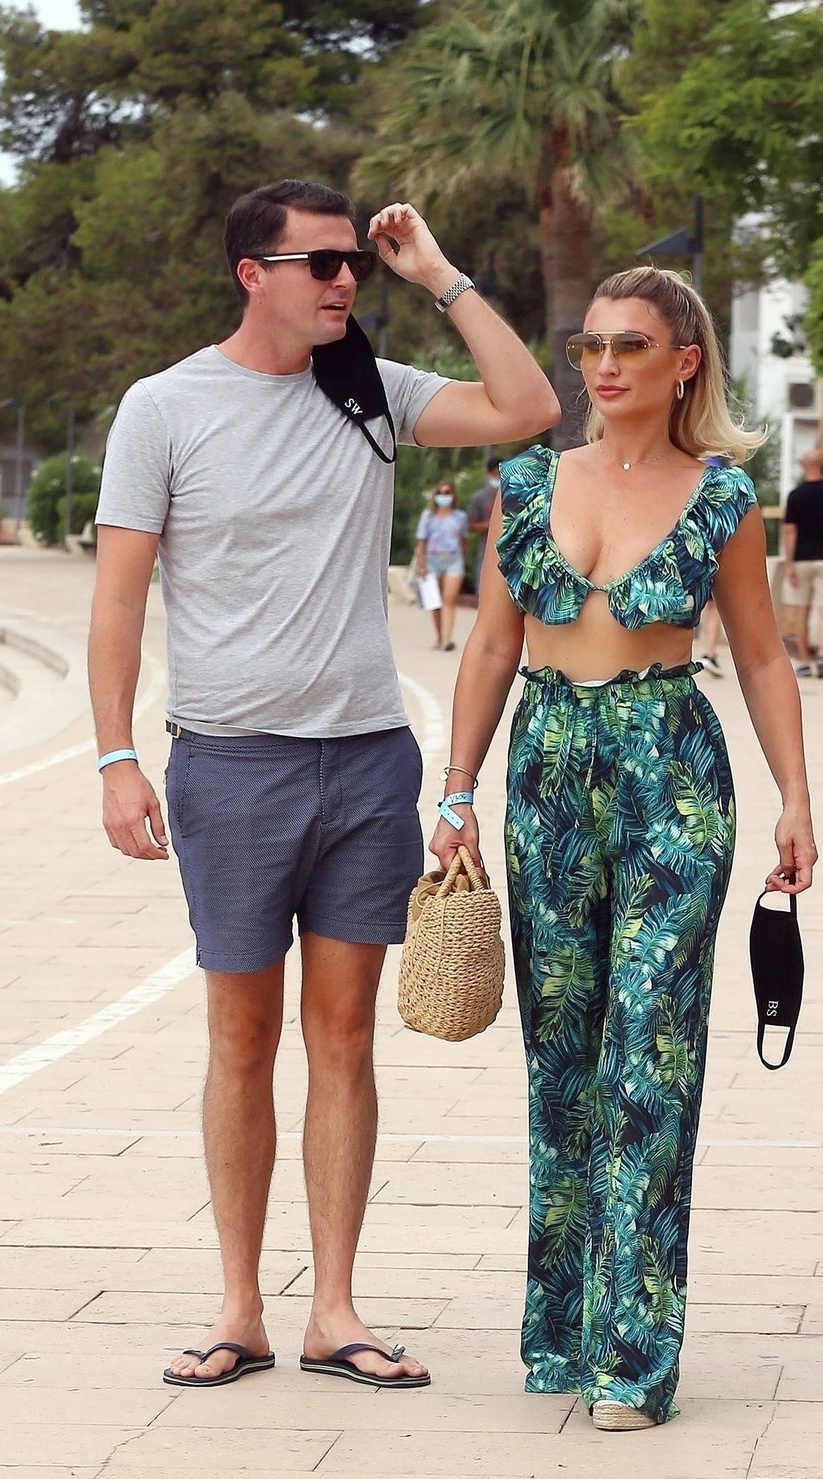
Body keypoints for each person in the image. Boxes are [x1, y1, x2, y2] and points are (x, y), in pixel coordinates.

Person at [88, 180, 558, 1394]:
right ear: (254, 274)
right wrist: (115, 758)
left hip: (365, 761)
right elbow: (119, 599)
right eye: (322, 263)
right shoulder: (164, 408)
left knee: (344, 1038)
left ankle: (334, 1311)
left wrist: (438, 277)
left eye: (354, 261)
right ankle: (239, 1308)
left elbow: (529, 405)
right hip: (231, 764)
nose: (345, 279)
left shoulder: (373, 391)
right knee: (242, 1036)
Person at [429, 266, 816, 1431]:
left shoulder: (724, 497)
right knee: (563, 1057)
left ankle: (634, 1356)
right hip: (545, 769)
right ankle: (563, 1330)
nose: (603, 365)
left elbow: (760, 655)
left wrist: (796, 797)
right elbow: (492, 648)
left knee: (650, 1054)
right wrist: (455, 790)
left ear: (684, 362)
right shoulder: (527, 483)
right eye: (591, 344)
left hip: (673, 774)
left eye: (631, 345)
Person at [779, 449, 823, 679]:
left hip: (802, 558)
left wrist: (789, 563)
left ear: (803, 467)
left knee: (801, 611)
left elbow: (789, 531)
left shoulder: (796, 495)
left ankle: (804, 661)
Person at [414, 478, 470, 650]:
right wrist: (421, 565)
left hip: (453, 559)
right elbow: (421, 541)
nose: (443, 496)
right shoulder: (428, 516)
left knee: (449, 599)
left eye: (447, 493)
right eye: (440, 493)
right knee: (435, 602)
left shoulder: (460, 517)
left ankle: (447, 639)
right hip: (432, 559)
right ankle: (439, 636)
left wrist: (462, 558)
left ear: (453, 495)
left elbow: (463, 539)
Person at [467, 454, 502, 590]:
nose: (498, 477)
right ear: (489, 474)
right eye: (495, 473)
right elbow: (471, 525)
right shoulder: (480, 498)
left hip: (511, 551)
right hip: (486, 552)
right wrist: (491, 524)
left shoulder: (513, 494)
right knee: (484, 590)